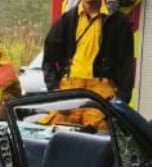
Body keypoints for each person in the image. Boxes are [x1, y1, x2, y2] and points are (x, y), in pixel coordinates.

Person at [41, 0, 136, 128]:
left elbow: (125, 65)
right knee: (57, 136)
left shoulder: (118, 22)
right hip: (69, 88)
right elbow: (49, 59)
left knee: (101, 137)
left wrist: (122, 101)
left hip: (101, 90)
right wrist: (54, 91)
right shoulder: (66, 20)